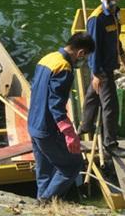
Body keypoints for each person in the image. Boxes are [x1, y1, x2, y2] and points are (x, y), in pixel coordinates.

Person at [28, 32, 95, 204]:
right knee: (72, 165)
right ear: (80, 53)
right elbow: (56, 104)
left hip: (34, 124)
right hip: (47, 128)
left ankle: (41, 203)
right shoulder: (64, 68)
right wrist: (69, 132)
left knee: (44, 169)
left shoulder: (48, 58)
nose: (83, 60)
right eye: (85, 56)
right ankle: (46, 200)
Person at [78, 0, 125, 158]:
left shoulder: (116, 13)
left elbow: (116, 36)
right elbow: (92, 48)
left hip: (110, 62)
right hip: (101, 67)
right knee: (110, 106)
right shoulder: (96, 18)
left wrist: (122, 55)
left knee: (92, 96)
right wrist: (95, 74)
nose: (108, 0)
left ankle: (85, 125)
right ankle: (110, 144)